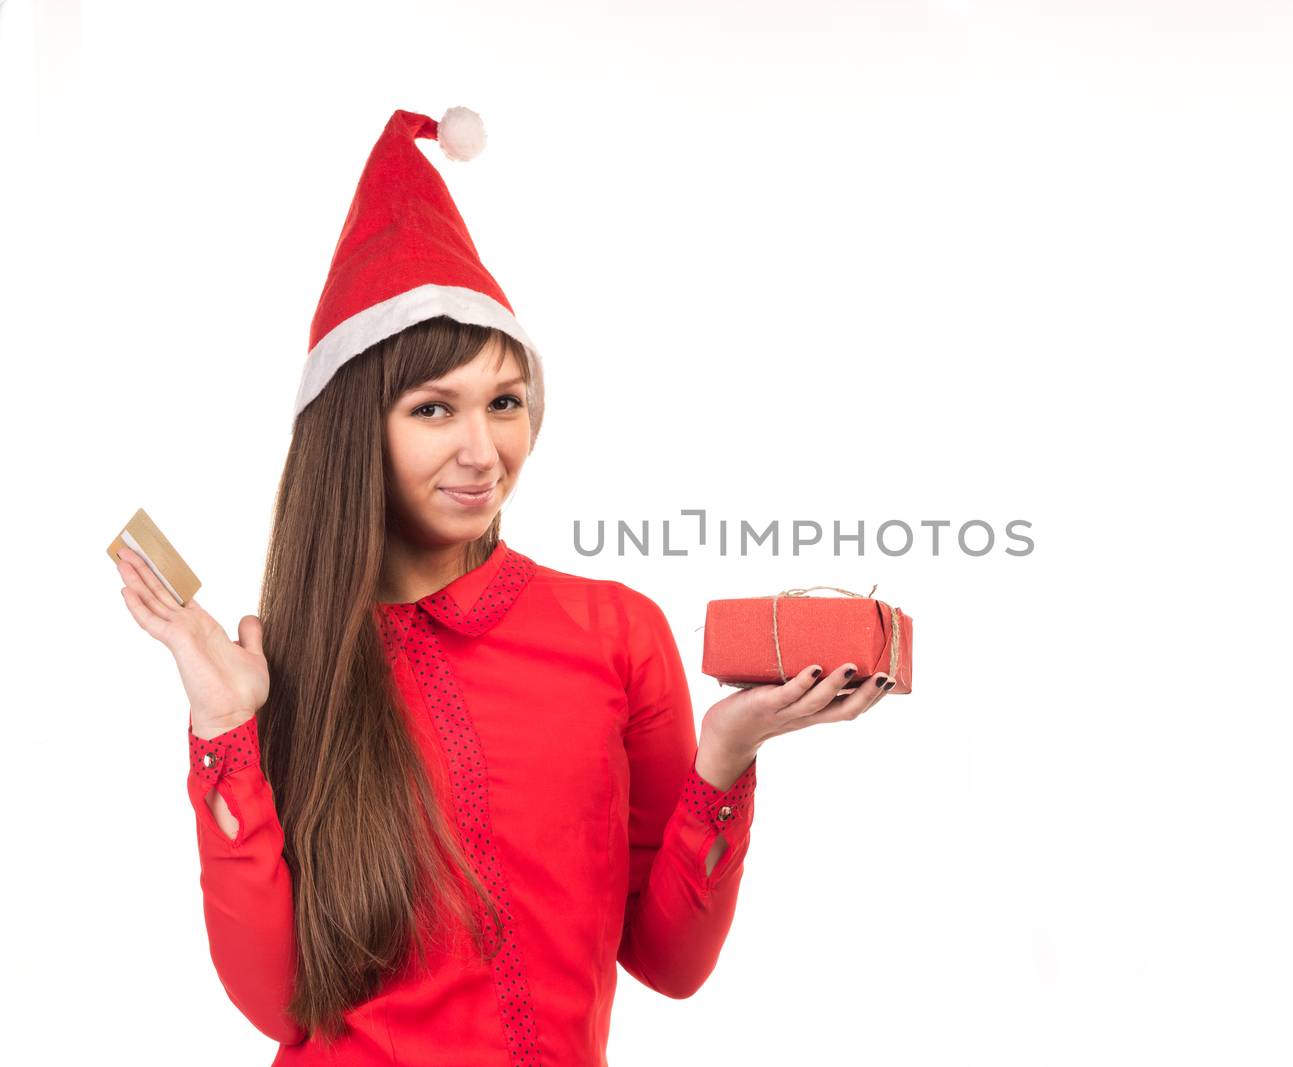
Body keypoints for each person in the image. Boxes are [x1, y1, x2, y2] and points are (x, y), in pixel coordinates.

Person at [110, 107, 896, 1066]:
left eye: (506, 403)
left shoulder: (615, 631)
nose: (484, 451)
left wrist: (725, 757)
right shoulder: (285, 664)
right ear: (359, 427)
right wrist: (223, 733)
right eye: (434, 408)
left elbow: (670, 962)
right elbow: (277, 1002)